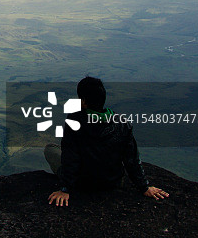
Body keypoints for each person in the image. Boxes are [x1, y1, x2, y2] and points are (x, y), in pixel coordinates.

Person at [46, 76, 169, 206]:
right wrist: (144, 187)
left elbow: (70, 157)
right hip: (112, 182)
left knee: (50, 149)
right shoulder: (122, 123)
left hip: (82, 183)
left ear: (84, 102)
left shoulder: (74, 120)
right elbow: (131, 159)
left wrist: (65, 189)